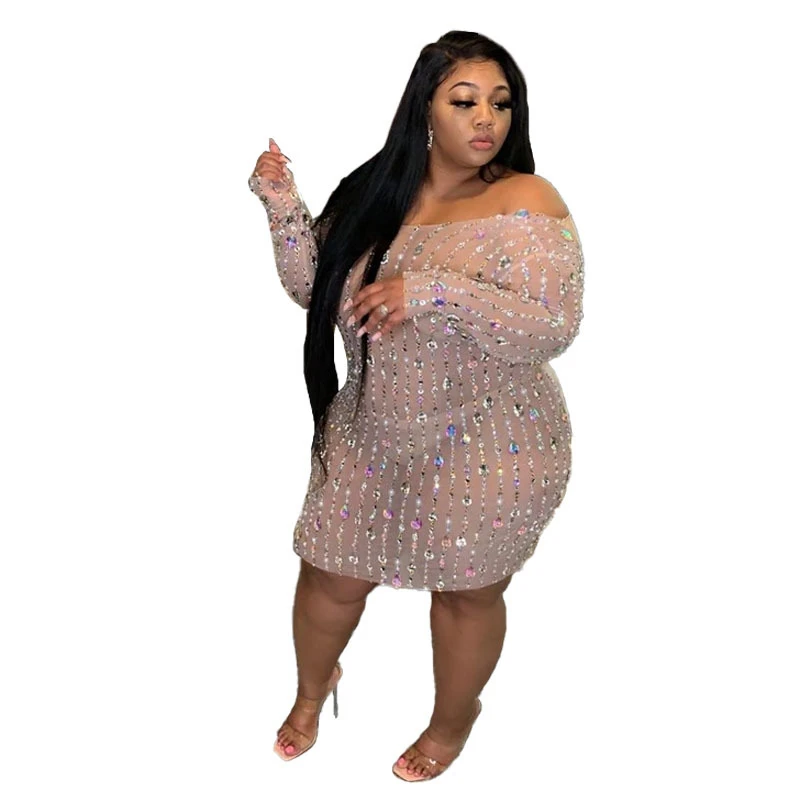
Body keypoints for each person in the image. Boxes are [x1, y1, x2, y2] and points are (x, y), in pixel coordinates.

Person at [248, 30, 585, 782]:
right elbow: (316, 289)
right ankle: (312, 693)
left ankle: (452, 722)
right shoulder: (375, 193)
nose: (485, 118)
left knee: (465, 594)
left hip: (492, 442)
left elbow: (552, 326)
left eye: (500, 102)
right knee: (328, 575)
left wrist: (433, 292)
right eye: (464, 101)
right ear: (424, 109)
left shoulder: (525, 200)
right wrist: (281, 205)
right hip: (371, 430)